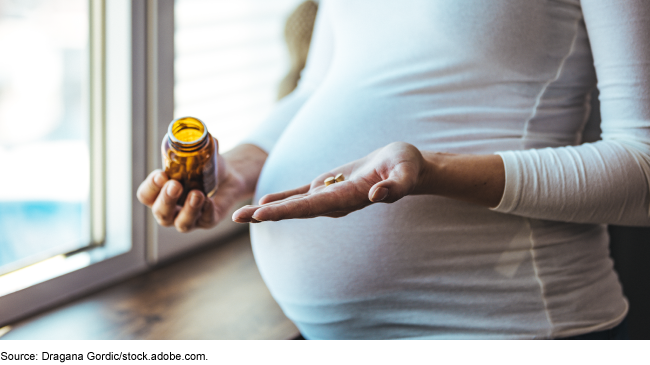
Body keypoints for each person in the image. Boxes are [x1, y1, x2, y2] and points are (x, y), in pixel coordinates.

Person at [137, 0, 650, 339]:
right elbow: (325, 82)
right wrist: (248, 163)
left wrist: (431, 171)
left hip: (511, 326)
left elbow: (643, 166)